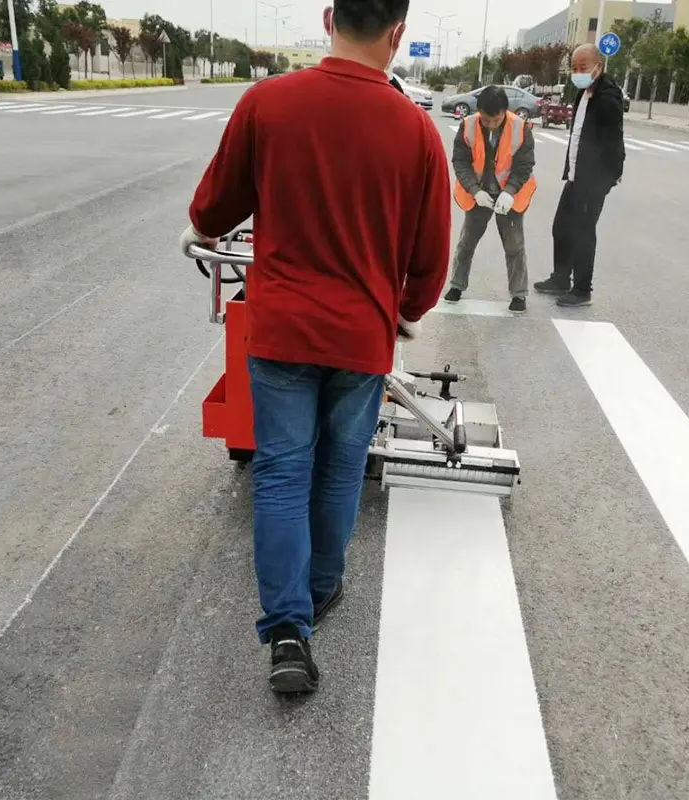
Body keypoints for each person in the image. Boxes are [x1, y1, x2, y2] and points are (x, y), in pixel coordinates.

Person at [180, 0, 451, 694]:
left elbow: (213, 210)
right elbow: (429, 262)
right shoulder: (417, 131)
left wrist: (213, 225)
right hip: (360, 338)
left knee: (279, 472)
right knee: (338, 469)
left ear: (330, 18)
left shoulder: (268, 104)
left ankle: (288, 632)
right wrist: (404, 313)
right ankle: (323, 589)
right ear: (398, 33)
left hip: (282, 333)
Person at [534, 43, 624, 307]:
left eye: (582, 68)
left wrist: (608, 177)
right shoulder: (584, 92)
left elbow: (613, 140)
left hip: (593, 178)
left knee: (584, 233)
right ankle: (561, 277)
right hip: (576, 174)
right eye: (574, 68)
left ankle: (582, 290)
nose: (577, 72)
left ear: (598, 66)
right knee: (561, 226)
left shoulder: (608, 95)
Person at [444, 85, 536, 314]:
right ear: (480, 112)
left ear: (505, 111)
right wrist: (475, 191)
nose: (490, 124)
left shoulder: (521, 127)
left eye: (495, 120)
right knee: (466, 242)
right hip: (480, 194)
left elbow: (524, 165)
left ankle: (518, 294)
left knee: (515, 245)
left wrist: (510, 191)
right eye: (486, 119)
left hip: (509, 195)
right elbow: (460, 162)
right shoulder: (468, 126)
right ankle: (456, 285)